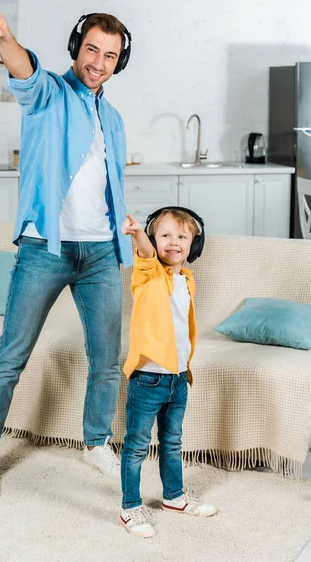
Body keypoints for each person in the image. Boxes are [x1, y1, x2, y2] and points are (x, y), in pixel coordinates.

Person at [0, 5, 133, 502]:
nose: (98, 62)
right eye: (91, 50)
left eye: (110, 55)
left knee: (106, 358)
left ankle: (97, 441)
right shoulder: (50, 95)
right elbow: (25, 70)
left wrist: (124, 226)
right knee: (10, 356)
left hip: (101, 250)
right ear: (76, 49)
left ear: (118, 63)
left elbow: (108, 181)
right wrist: (5, 40)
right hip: (46, 248)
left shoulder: (114, 117)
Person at [119, 207, 217, 538]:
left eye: (182, 236)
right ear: (153, 239)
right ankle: (130, 507)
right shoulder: (147, 272)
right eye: (165, 235)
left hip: (178, 378)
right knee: (136, 446)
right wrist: (137, 235)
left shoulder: (187, 279)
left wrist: (184, 369)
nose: (173, 242)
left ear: (194, 245)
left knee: (172, 442)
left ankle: (174, 497)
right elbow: (145, 253)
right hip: (148, 378)